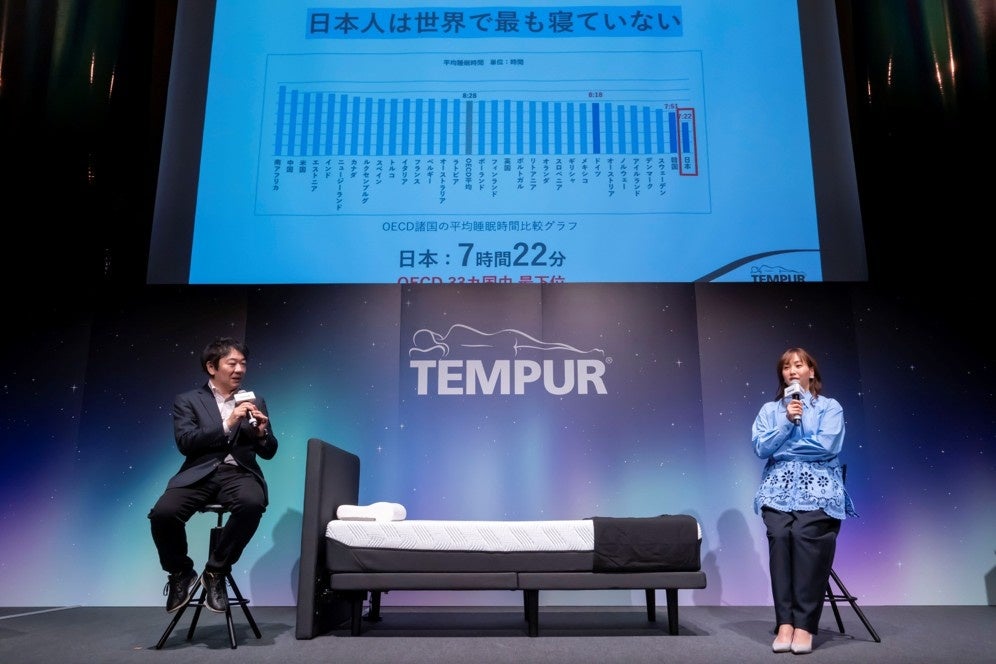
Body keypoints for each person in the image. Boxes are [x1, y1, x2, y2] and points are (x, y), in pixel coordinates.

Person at [148, 336, 278, 614]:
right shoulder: (188, 401)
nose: (239, 369)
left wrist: (261, 433)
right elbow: (186, 442)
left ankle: (216, 572)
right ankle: (180, 573)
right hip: (199, 473)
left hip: (238, 473)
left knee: (252, 504)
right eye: (232, 363)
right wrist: (228, 422)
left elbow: (269, 452)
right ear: (211, 367)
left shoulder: (255, 400)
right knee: (163, 514)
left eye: (243, 363)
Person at [751, 347, 857, 655]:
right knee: (780, 535)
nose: (792, 371)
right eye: (786, 367)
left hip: (819, 490)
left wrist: (782, 449)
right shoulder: (770, 411)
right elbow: (760, 447)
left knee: (804, 535)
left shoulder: (829, 407)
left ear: (811, 371)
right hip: (777, 490)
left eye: (799, 365)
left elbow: (827, 445)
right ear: (782, 375)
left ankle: (805, 625)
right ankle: (785, 623)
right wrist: (786, 422)